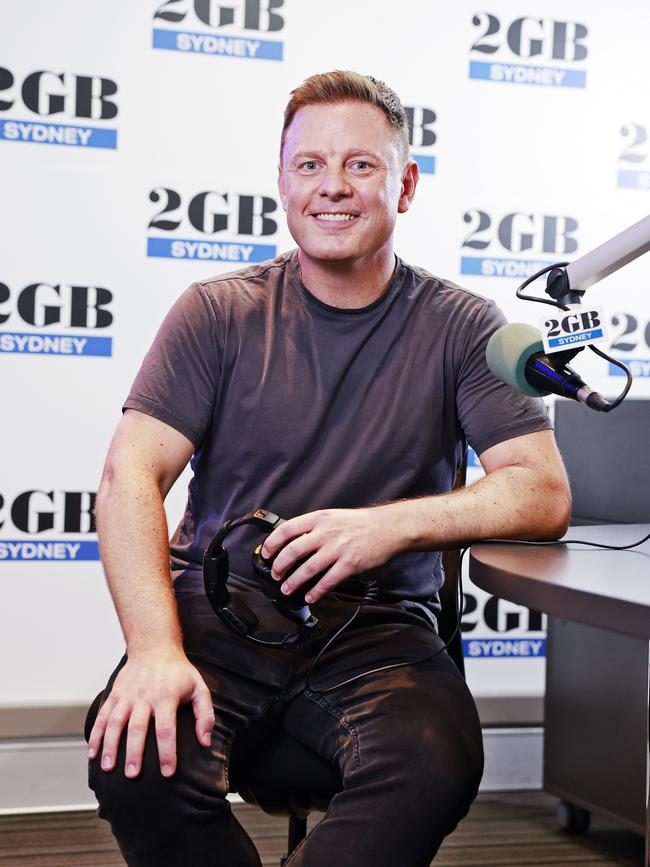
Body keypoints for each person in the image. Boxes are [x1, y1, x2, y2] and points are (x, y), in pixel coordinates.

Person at [86, 70, 571, 866]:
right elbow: (128, 477)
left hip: (378, 626)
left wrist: (391, 525)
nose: (332, 187)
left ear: (405, 184)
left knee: (434, 762)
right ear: (281, 182)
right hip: (221, 605)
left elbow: (542, 489)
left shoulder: (464, 325)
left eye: (361, 165)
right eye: (309, 165)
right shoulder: (218, 312)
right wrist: (153, 650)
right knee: (135, 755)